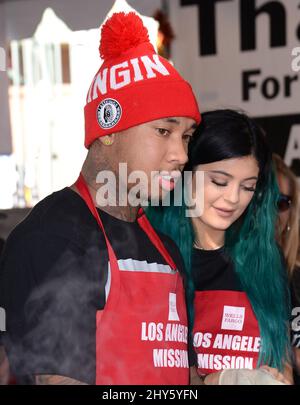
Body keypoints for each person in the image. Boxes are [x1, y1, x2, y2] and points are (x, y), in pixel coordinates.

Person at [0, 12, 200, 385]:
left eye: (186, 136)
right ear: (108, 130)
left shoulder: (166, 249)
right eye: (163, 131)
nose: (182, 154)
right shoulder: (54, 240)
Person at [147, 109, 293, 384]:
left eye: (248, 186)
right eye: (219, 181)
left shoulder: (266, 264)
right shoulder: (150, 258)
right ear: (186, 173)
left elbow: (283, 366)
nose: (233, 198)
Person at [273, 154, 300, 385]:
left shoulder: (296, 275)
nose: (272, 212)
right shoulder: (223, 269)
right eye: (264, 200)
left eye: (281, 203)